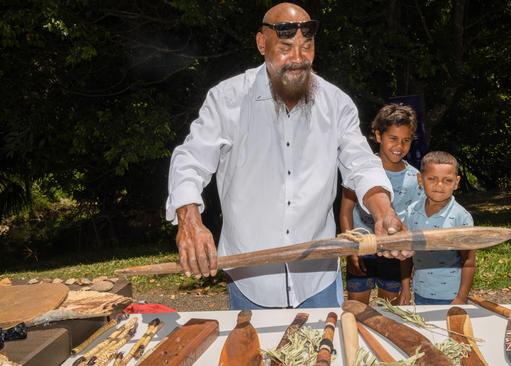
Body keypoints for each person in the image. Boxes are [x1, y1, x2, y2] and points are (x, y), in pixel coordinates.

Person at [165, 2, 409, 310]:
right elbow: (190, 160)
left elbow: (360, 163)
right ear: (261, 44)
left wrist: (384, 211)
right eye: (285, 48)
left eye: (306, 47)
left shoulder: (336, 103)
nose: (298, 59)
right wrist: (189, 219)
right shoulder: (226, 99)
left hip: (318, 279)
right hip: (250, 281)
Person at [340, 104, 421, 305]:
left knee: (390, 315)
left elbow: (408, 232)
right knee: (356, 312)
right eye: (393, 138)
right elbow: (345, 211)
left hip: (393, 256)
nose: (399, 146)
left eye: (406, 140)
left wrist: (405, 283)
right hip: (362, 251)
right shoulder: (360, 171)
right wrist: (351, 252)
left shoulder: (415, 178)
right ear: (378, 135)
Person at [404, 151, 476, 305]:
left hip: (451, 296)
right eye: (432, 179)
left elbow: (468, 262)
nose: (439, 185)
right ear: (420, 180)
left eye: (447, 180)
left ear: (456, 183)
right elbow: (406, 254)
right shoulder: (411, 212)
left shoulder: (461, 217)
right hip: (420, 292)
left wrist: (461, 297)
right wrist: (405, 288)